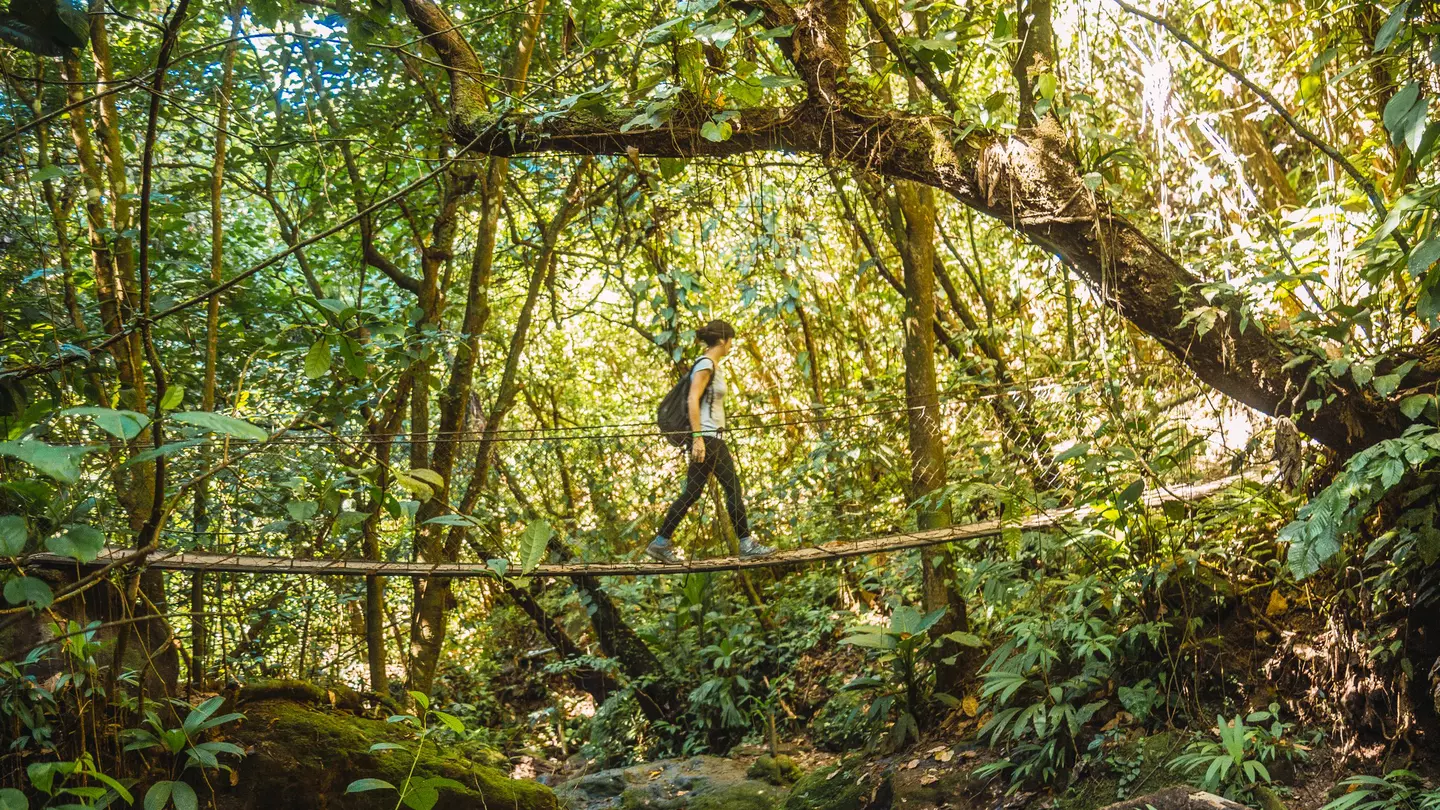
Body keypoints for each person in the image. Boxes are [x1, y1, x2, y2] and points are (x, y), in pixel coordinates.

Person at [647, 320, 775, 563]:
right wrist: (697, 439)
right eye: (731, 340)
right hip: (708, 439)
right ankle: (746, 543)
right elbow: (692, 400)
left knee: (692, 493)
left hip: (708, 439)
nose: (731, 345)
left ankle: (660, 542)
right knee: (733, 489)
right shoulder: (706, 364)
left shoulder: (710, 364)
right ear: (723, 340)